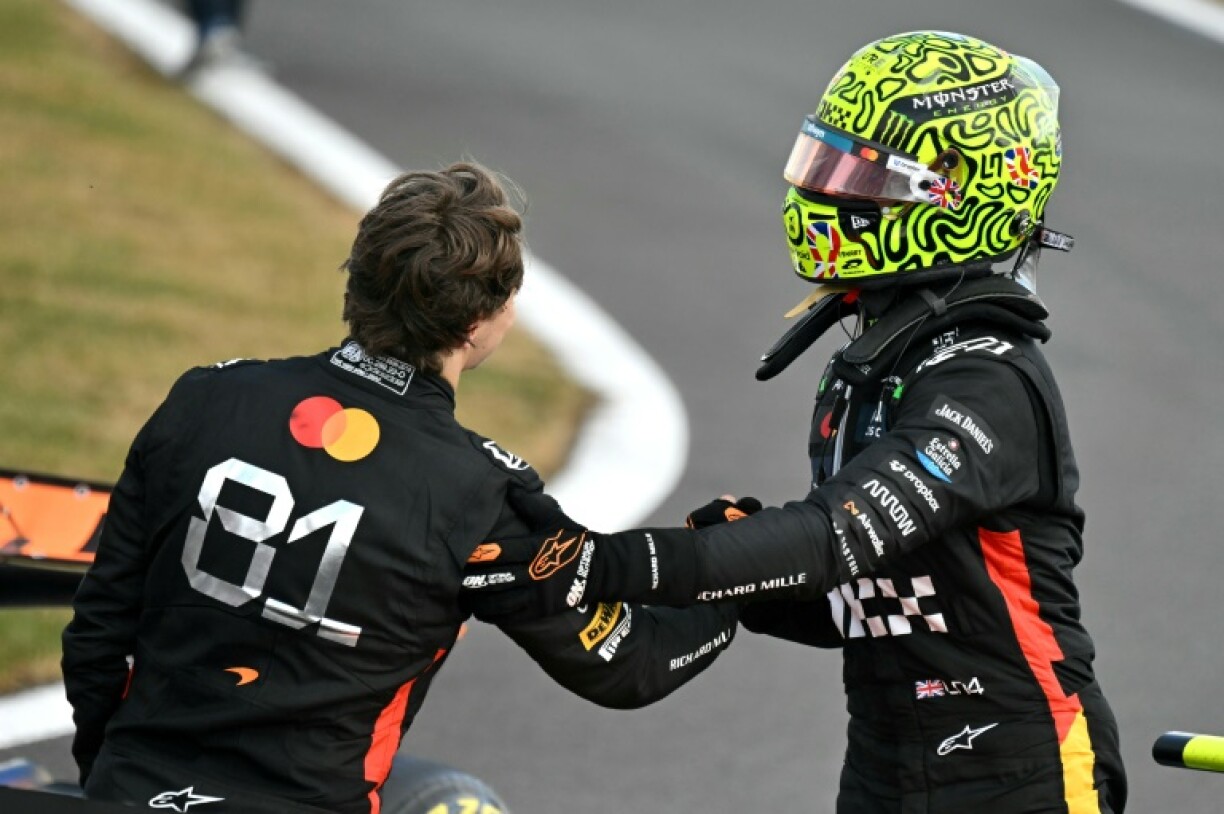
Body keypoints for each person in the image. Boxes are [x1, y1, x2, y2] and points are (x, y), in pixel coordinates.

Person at [462, 31, 1127, 813]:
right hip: (887, 768)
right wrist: (741, 578)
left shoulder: (985, 379)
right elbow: (876, 596)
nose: (828, 196)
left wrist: (601, 562)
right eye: (827, 166)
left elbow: (830, 539)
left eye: (860, 179)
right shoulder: (881, 359)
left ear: (958, 192)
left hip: (1023, 776)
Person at [61, 162, 738, 814]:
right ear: (482, 322)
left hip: (129, 789)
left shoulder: (203, 398)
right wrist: (730, 573)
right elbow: (629, 664)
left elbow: (96, 634)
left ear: (356, 285)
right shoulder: (479, 495)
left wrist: (106, 782)